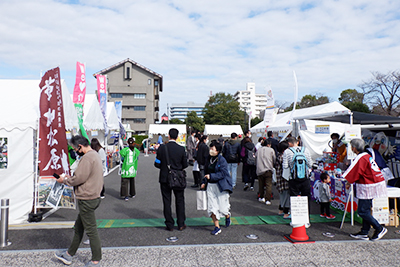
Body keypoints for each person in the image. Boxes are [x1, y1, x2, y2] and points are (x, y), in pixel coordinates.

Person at [54, 135, 103, 267]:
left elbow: (78, 178)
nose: (75, 150)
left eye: (75, 148)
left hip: (87, 198)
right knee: (78, 228)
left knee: (91, 230)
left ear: (80, 147)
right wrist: (72, 178)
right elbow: (82, 177)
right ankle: (69, 254)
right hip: (94, 196)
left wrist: (64, 180)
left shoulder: (87, 158)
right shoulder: (95, 155)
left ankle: (96, 260)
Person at [343, 138, 388, 241]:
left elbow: (354, 171)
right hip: (373, 184)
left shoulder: (361, 157)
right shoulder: (367, 155)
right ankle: (364, 231)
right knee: (366, 210)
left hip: (369, 186)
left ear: (354, 148)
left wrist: (348, 182)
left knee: (363, 211)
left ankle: (379, 228)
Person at [155, 128, 188, 231]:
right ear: (177, 137)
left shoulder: (161, 148)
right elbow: (185, 164)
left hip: (165, 177)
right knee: (180, 200)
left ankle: (169, 224)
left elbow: (157, 163)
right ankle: (181, 223)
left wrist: (165, 167)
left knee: (167, 201)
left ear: (168, 136)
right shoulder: (181, 149)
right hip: (178, 177)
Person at [201, 140, 233, 235]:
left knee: (223, 209)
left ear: (218, 150)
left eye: (212, 149)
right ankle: (217, 227)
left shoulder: (222, 160)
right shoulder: (208, 159)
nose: (211, 150)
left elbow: (223, 173)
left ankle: (227, 216)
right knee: (212, 207)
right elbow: (205, 172)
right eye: (210, 148)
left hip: (221, 186)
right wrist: (204, 181)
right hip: (210, 186)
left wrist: (212, 176)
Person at [282, 137, 312, 225]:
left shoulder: (287, 152)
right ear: (297, 142)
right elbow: (310, 164)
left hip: (293, 179)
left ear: (289, 143)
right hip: (305, 178)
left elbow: (285, 166)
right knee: (306, 199)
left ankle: (295, 220)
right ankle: (306, 221)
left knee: (294, 199)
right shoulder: (305, 150)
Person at [256, 139, 275, 205]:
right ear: (268, 144)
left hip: (260, 169)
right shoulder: (271, 150)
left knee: (260, 184)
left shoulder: (259, 150)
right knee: (268, 185)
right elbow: (274, 159)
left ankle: (261, 197)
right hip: (268, 169)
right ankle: (268, 199)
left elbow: (255, 158)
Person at [276, 141, 290, 219]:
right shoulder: (283, 157)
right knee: (286, 196)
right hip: (284, 179)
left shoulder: (278, 156)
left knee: (282, 196)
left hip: (279, 179)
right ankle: (286, 213)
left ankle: (281, 210)